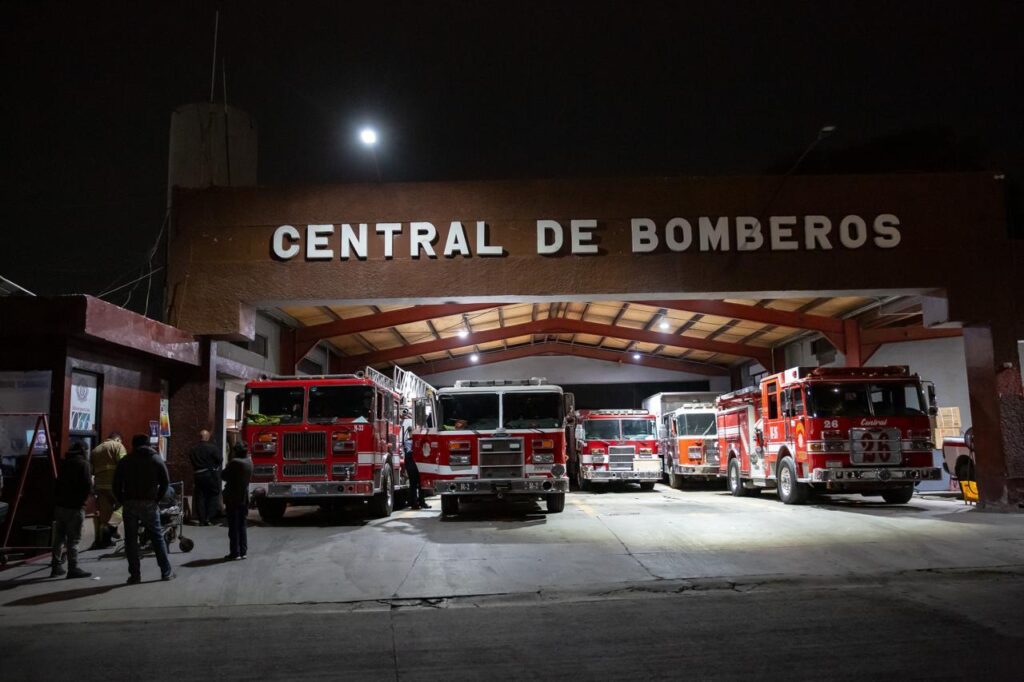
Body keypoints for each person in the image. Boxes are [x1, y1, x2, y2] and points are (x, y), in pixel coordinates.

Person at [113, 434, 173, 583]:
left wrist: (123, 500)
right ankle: (166, 572)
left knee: (131, 540)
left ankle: (135, 575)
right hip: (149, 503)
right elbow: (166, 482)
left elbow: (116, 484)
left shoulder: (125, 461)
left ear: (133, 445)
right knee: (157, 537)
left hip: (130, 503)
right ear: (148, 444)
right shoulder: (155, 459)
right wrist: (157, 499)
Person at [51, 441, 93, 578]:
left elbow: (57, 483)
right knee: (73, 539)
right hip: (75, 507)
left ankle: (56, 566)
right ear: (84, 450)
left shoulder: (65, 462)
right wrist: (83, 500)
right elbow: (87, 484)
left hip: (60, 506)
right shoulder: (84, 464)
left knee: (59, 538)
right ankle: (73, 568)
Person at [89, 432, 126, 549]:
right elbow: (124, 465)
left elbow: (92, 470)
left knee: (105, 513)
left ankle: (104, 541)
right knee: (123, 505)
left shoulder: (95, 450)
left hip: (100, 486)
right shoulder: (118, 446)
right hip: (115, 485)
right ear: (118, 439)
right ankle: (112, 527)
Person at [221, 441, 253, 560]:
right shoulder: (249, 461)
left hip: (233, 497)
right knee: (242, 525)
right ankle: (243, 551)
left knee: (233, 526)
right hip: (244, 496)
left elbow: (223, 476)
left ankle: (235, 552)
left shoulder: (234, 462)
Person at [188, 429, 222, 526]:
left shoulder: (193, 449)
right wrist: (214, 467)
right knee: (213, 495)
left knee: (200, 497)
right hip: (210, 474)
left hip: (197, 475)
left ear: (199, 437)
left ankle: (201, 519)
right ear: (207, 437)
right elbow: (219, 459)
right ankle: (209, 517)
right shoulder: (212, 448)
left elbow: (191, 459)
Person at [402, 418, 430, 510]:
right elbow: (409, 453)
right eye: (412, 432)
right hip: (412, 466)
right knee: (413, 485)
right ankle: (414, 503)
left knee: (421, 484)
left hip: (420, 466)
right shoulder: (407, 442)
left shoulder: (418, 441)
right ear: (410, 433)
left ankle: (422, 502)